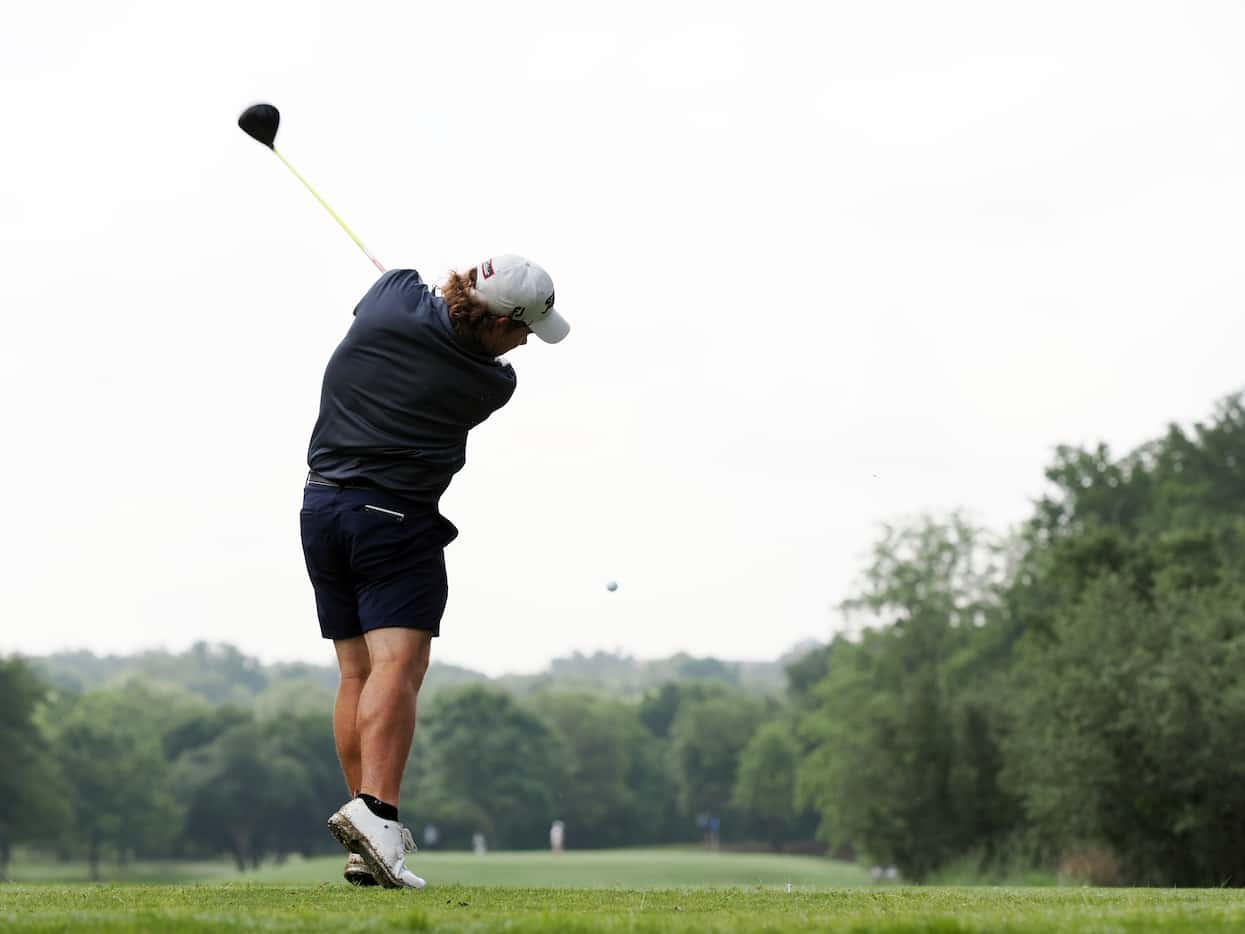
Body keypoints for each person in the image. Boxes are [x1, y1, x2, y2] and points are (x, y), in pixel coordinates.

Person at [302, 256, 569, 889]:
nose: (527, 341)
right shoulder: (489, 383)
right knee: (399, 668)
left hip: (320, 509)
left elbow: (393, 294)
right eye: (524, 329)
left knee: (355, 673)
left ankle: (369, 832)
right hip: (392, 520)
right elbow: (472, 351)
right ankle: (378, 817)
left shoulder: (394, 292)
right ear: (501, 321)